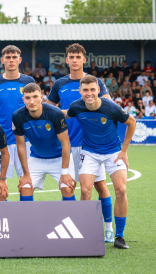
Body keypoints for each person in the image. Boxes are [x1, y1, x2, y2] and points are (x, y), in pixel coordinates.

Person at [47, 43, 114, 243]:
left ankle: (108, 228)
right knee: (66, 186)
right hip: (67, 143)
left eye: (78, 56)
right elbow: (50, 110)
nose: (75, 60)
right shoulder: (59, 83)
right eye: (71, 57)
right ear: (66, 60)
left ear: (84, 59)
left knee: (99, 185)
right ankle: (77, 227)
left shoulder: (95, 82)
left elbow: (109, 106)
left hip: (90, 145)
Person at [63, 75, 136, 249]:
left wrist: (124, 151)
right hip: (90, 152)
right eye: (85, 90)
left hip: (113, 152)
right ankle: (86, 233)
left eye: (92, 90)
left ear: (98, 90)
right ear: (80, 91)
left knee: (121, 189)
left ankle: (119, 236)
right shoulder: (76, 107)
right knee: (86, 190)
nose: (89, 93)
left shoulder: (111, 107)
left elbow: (132, 122)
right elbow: (65, 114)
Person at [12, 83, 75, 201]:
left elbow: (65, 143)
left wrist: (65, 172)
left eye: (35, 97)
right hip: (36, 158)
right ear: (23, 100)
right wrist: (25, 174)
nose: (32, 101)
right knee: (25, 188)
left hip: (59, 158)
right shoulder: (17, 116)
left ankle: (69, 219)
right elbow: (20, 145)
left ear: (41, 97)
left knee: (67, 188)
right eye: (28, 98)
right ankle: (28, 220)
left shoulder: (54, 113)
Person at [0, 45, 35, 181]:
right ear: (2, 60)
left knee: (26, 181)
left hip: (25, 139)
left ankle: (26, 203)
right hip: (2, 140)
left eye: (14, 57)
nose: (11, 60)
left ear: (19, 60)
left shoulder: (28, 81)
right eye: (8, 58)